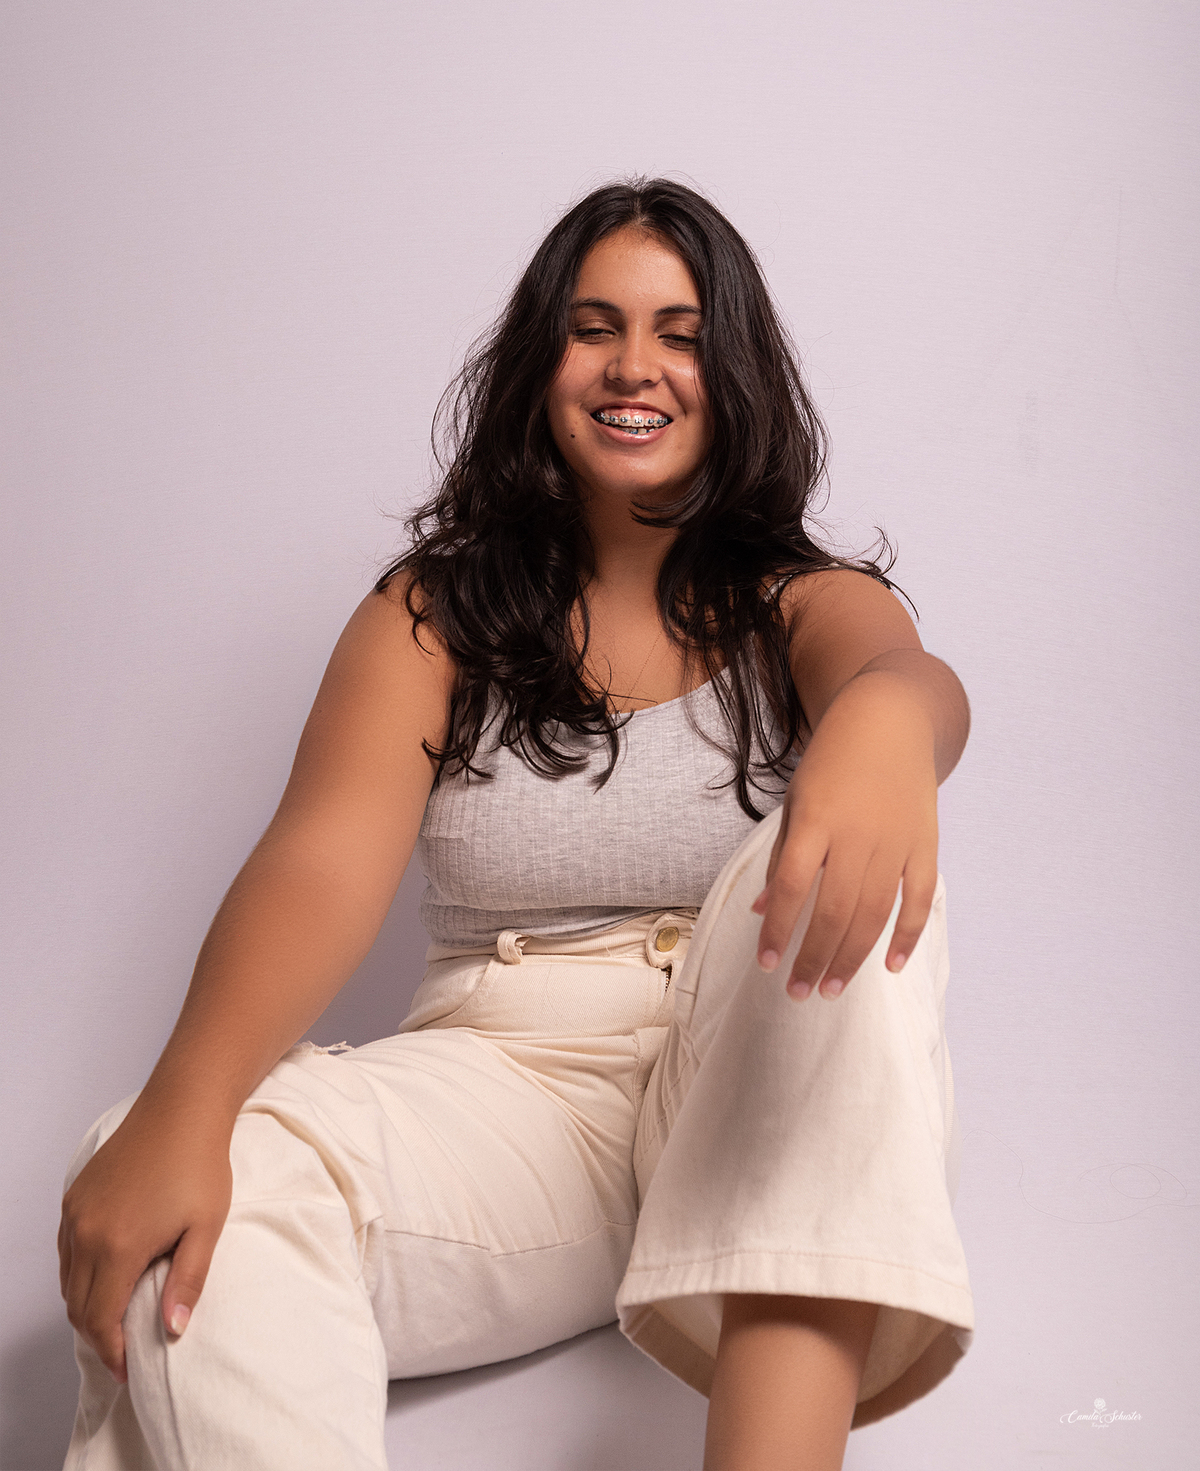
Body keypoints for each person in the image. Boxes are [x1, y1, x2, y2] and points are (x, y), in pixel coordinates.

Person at [57, 178, 975, 1471]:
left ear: (736, 372)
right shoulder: (434, 613)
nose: (634, 365)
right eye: (595, 328)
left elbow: (904, 679)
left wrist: (888, 724)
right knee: (173, 1178)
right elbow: (321, 863)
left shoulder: (803, 602)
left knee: (838, 880)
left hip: (757, 1078)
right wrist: (181, 1108)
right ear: (542, 364)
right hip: (514, 1094)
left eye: (680, 333)